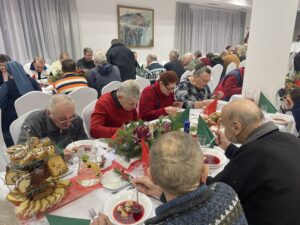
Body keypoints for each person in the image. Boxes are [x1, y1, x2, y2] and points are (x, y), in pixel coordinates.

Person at [91, 131, 247, 225]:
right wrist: (159, 193)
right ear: (204, 171)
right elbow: (189, 203)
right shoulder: (226, 191)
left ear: (151, 176)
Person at [207, 99, 300, 225]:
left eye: (224, 125)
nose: (223, 129)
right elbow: (258, 164)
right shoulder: (290, 138)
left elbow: (215, 189)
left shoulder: (253, 153)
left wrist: (199, 171)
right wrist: (229, 148)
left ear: (236, 127)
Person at [18, 94, 88, 150]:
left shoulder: (76, 120)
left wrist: (82, 148)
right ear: (49, 113)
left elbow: (84, 142)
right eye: (62, 119)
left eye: (71, 117)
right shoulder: (34, 122)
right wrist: (58, 154)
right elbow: (22, 150)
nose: (68, 123)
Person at [0, 61, 40, 147]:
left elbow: (1, 105)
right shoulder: (33, 81)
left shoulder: (6, 86)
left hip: (14, 120)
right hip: (33, 116)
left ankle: (12, 147)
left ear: (9, 72)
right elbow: (39, 95)